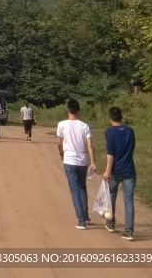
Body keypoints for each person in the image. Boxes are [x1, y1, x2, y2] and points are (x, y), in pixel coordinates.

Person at [57, 98, 97, 229]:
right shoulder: (84, 126)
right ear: (79, 110)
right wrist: (93, 162)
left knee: (75, 190)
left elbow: (59, 142)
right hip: (82, 161)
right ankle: (85, 215)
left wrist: (61, 153)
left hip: (69, 160)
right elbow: (90, 145)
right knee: (82, 187)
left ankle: (81, 220)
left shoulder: (62, 124)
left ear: (67, 109)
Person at [103, 106, 136, 240]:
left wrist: (107, 171)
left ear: (110, 117)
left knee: (111, 196)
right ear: (121, 116)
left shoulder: (109, 132)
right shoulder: (130, 131)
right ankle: (129, 231)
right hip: (129, 169)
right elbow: (132, 147)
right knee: (129, 201)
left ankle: (110, 223)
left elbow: (110, 153)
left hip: (116, 170)